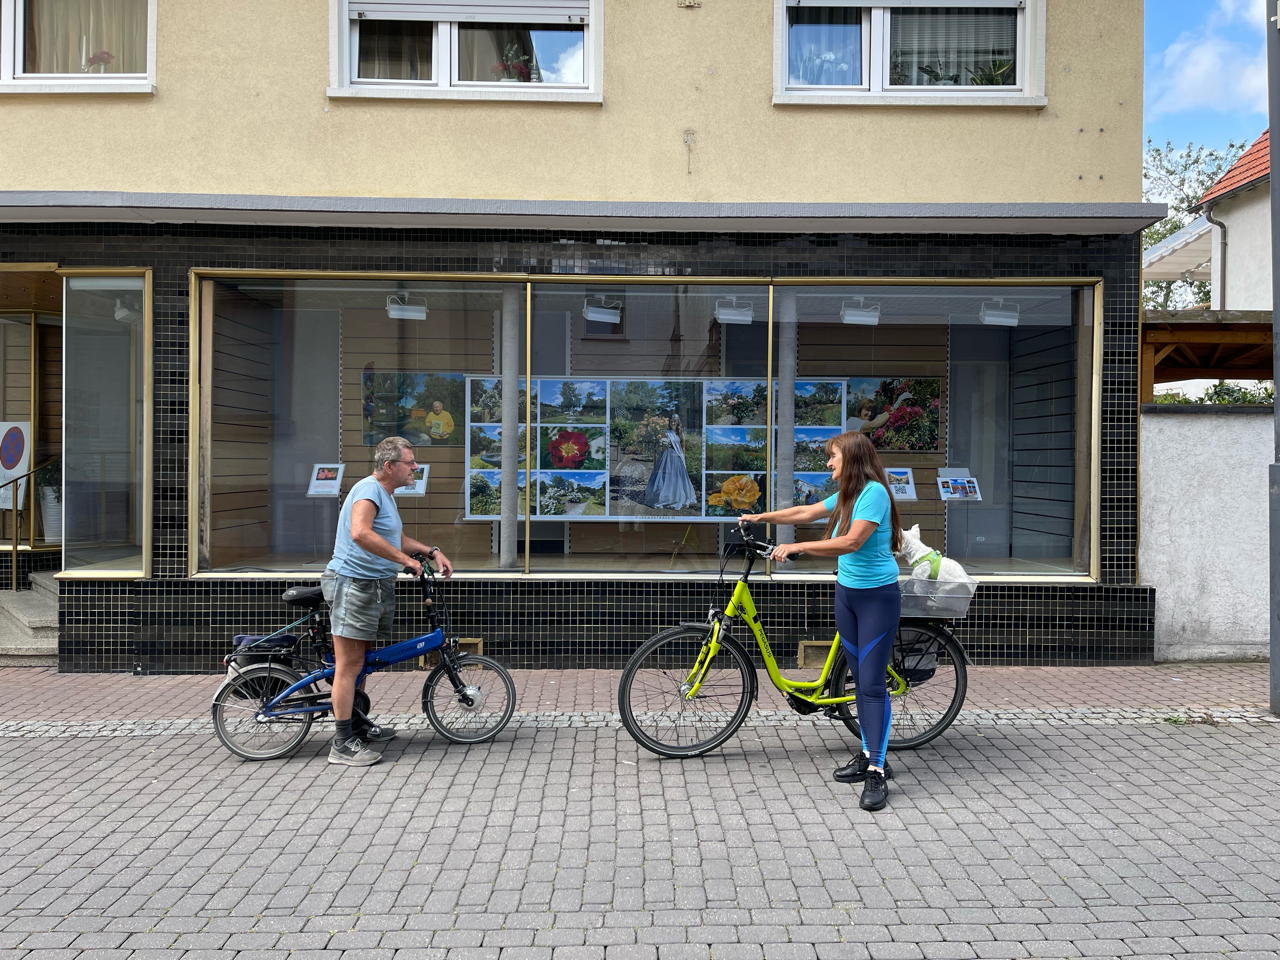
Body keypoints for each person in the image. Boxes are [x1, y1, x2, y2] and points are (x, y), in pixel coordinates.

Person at [739, 430, 903, 811]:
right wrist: (761, 516)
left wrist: (798, 546)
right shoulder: (846, 494)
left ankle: (877, 772)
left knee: (872, 685)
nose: (828, 463)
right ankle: (869, 753)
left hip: (877, 597)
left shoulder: (874, 493)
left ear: (853, 458)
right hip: (847, 595)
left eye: (833, 456)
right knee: (859, 678)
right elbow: (804, 512)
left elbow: (851, 542)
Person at [322, 436, 454, 767]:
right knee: (349, 665)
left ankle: (356, 725)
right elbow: (361, 533)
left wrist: (428, 551)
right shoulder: (368, 491)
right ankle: (342, 743)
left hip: (371, 586)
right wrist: (404, 560)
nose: (415, 467)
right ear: (389, 466)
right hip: (353, 585)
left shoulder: (386, 495)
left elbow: (392, 536)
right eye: (410, 462)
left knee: (362, 662)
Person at [643, 412, 698, 509]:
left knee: (676, 478)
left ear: (677, 422)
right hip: (666, 456)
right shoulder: (666, 432)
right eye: (672, 421)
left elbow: (683, 447)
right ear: (670, 422)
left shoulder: (680, 433)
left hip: (676, 457)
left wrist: (683, 457)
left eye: (675, 421)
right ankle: (662, 496)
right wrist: (662, 444)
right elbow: (659, 444)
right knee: (664, 477)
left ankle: (675, 497)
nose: (673, 423)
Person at [846, 390, 912, 435]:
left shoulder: (867, 422)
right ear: (860, 409)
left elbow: (879, 418)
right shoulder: (852, 421)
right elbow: (874, 423)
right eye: (867, 409)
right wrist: (897, 404)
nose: (870, 413)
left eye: (872, 411)